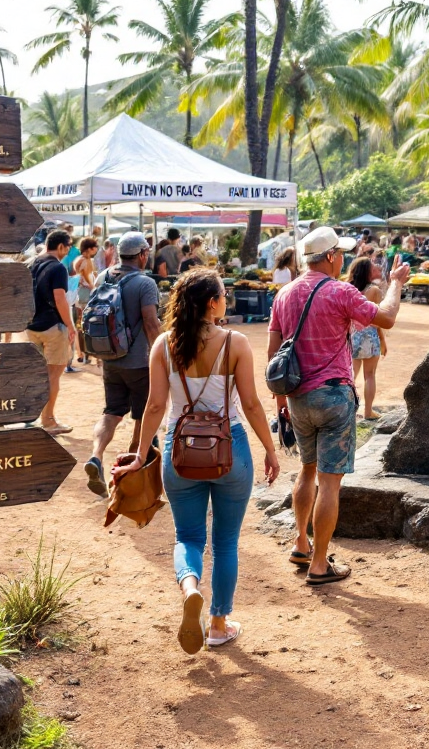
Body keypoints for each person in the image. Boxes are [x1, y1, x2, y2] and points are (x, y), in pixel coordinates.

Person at [114, 269, 280, 653]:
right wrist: (270, 450)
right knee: (226, 542)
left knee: (188, 537)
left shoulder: (163, 345)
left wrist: (140, 455)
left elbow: (155, 406)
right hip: (230, 448)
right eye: (223, 294)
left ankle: (190, 589)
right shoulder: (235, 342)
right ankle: (219, 624)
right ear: (211, 302)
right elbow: (252, 404)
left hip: (180, 450)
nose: (226, 300)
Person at [268, 227, 410, 585]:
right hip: (333, 394)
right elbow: (387, 317)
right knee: (330, 484)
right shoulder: (340, 291)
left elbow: (274, 354)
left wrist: (280, 402)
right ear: (330, 257)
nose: (343, 259)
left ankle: (301, 542)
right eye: (340, 254)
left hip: (298, 396)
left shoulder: (284, 294)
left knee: (306, 470)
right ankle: (319, 564)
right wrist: (395, 282)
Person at [83, 235, 161, 496]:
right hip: (138, 362)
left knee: (112, 412)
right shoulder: (145, 283)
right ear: (141, 255)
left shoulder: (102, 276)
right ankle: (130, 476)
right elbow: (151, 323)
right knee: (142, 416)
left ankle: (96, 455)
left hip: (110, 359)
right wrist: (163, 355)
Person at [25, 230, 77, 435]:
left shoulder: (31, 264)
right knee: (53, 375)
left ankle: (33, 417)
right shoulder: (58, 267)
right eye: (69, 245)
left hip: (31, 326)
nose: (70, 249)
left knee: (38, 374)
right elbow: (60, 298)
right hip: (52, 327)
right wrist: (71, 326)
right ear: (61, 246)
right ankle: (48, 420)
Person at [348, 257, 386, 419]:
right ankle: (368, 411)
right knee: (369, 375)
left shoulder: (348, 288)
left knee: (350, 377)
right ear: (368, 272)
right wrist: (383, 340)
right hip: (369, 336)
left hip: (352, 335)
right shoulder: (374, 291)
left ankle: (348, 411)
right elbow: (376, 320)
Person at [71, 237, 100, 365]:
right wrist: (94, 289)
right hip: (86, 295)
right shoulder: (85, 261)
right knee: (86, 324)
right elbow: (87, 280)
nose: (96, 249)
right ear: (89, 248)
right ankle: (85, 353)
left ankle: (81, 353)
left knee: (80, 324)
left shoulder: (79, 260)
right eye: (95, 247)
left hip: (78, 295)